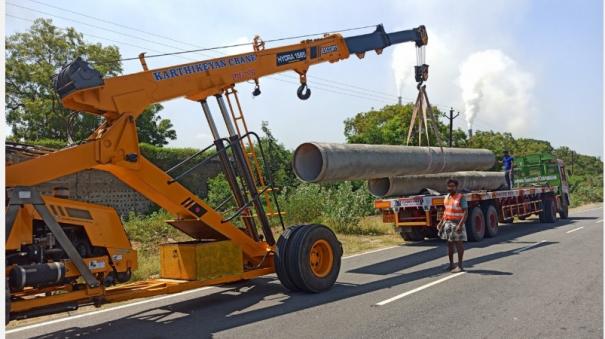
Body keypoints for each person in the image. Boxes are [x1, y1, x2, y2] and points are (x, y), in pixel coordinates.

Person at [436, 179, 468, 273]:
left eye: (453, 186)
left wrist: (460, 225)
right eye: (449, 186)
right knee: (449, 245)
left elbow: (466, 212)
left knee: (459, 244)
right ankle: (451, 264)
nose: (450, 188)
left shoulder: (460, 197)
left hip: (457, 223)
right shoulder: (447, 197)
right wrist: (441, 222)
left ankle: (460, 266)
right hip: (448, 223)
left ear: (456, 187)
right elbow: (446, 211)